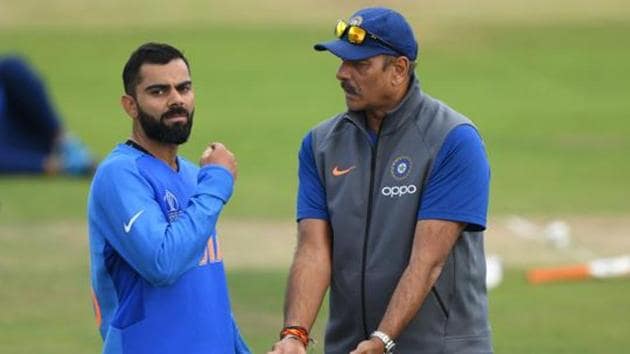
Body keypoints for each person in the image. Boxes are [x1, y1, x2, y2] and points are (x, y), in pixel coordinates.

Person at [270, 7, 492, 354]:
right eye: (342, 61)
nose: (342, 73)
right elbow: (313, 249)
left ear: (399, 69)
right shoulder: (320, 144)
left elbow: (427, 261)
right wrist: (294, 334)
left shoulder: (452, 140)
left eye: (360, 65)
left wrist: (382, 340)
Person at [87, 42, 250, 354]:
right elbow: (162, 262)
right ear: (130, 105)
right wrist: (216, 182)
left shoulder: (191, 176)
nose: (177, 100)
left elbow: (207, 289)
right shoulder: (119, 175)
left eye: (184, 88)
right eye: (159, 91)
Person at [0, 56, 95, 175]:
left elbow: (16, 73)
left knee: (11, 67)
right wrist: (51, 165)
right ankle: (60, 164)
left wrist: (64, 140)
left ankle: (66, 141)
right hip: (16, 151)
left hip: (39, 132)